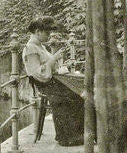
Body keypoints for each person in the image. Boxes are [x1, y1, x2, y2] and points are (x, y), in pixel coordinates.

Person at [22, 16, 86, 146]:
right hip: (44, 85)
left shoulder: (39, 46)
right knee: (71, 96)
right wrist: (53, 59)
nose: (49, 35)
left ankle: (77, 134)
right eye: (47, 32)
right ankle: (66, 137)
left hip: (51, 82)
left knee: (78, 93)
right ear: (38, 32)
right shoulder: (30, 49)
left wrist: (58, 64)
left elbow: (47, 67)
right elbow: (38, 74)